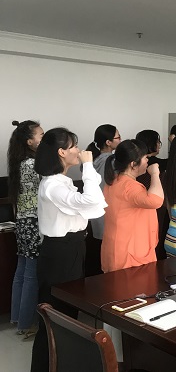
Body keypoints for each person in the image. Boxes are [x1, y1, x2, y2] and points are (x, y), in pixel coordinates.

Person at [31, 127, 107, 372]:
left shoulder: (62, 182)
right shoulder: (52, 185)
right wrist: (88, 166)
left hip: (72, 248)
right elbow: (91, 200)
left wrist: (88, 169)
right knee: (54, 317)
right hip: (59, 254)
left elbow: (94, 204)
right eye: (74, 146)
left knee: (67, 315)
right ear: (61, 152)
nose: (79, 150)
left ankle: (62, 364)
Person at [101, 140, 164, 273]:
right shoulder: (129, 186)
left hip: (118, 250)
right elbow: (156, 200)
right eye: (145, 158)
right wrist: (155, 174)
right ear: (133, 164)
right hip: (130, 255)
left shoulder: (114, 181)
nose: (148, 161)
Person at [8, 120, 44, 339]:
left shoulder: (20, 162)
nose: (44, 138)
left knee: (21, 271)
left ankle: (18, 318)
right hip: (33, 222)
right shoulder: (33, 164)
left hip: (23, 222)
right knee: (31, 274)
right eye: (41, 135)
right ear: (30, 141)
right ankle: (27, 323)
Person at [85, 124, 121, 275]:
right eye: (118, 137)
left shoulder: (94, 159)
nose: (120, 140)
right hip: (107, 208)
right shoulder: (111, 161)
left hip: (96, 210)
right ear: (108, 142)